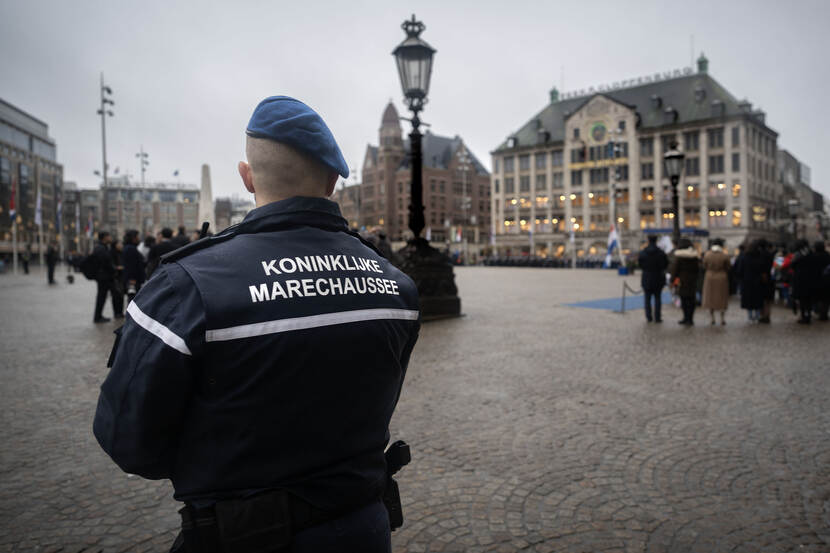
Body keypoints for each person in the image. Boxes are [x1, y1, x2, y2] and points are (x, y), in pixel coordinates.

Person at [93, 95, 420, 553]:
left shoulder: (185, 286)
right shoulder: (397, 287)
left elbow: (127, 440)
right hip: (363, 530)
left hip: (242, 536)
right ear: (332, 181)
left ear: (247, 177)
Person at [638, 235, 668, 323]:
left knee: (647, 299)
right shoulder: (661, 253)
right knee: (658, 298)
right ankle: (657, 317)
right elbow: (665, 264)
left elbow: (640, 264)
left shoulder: (643, 252)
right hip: (658, 277)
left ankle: (648, 317)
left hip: (647, 277)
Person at [739, 239, 770, 323]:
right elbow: (764, 269)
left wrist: (741, 278)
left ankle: (750, 316)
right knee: (757, 299)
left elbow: (740, 270)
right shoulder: (760, 257)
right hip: (758, 281)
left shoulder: (744, 256)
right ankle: (757, 315)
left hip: (747, 281)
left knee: (749, 300)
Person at [670, 238, 700, 325]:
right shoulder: (694, 256)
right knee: (691, 300)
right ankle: (690, 318)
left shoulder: (679, 257)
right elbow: (697, 269)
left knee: (684, 300)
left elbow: (675, 269)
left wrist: (673, 280)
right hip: (692, 281)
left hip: (682, 281)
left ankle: (686, 317)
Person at [701, 239, 730, 325]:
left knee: (710, 298)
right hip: (721, 277)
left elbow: (704, 265)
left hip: (709, 276)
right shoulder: (724, 255)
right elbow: (728, 266)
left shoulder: (707, 254)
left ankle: (712, 318)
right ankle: (722, 318)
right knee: (722, 298)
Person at [791, 239, 818, 324]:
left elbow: (792, 265)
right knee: (808, 299)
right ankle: (808, 315)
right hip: (810, 279)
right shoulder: (811, 253)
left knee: (802, 299)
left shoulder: (797, 254)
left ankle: (803, 316)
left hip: (800, 279)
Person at [92, 231, 117, 323]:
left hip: (103, 275)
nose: (110, 238)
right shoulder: (101, 248)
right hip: (103, 276)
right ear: (105, 237)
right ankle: (97, 317)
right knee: (101, 296)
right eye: (109, 236)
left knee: (102, 296)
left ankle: (98, 316)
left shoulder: (101, 247)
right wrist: (113, 269)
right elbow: (106, 262)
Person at [122, 229, 145, 304]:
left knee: (133, 297)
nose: (139, 238)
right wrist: (132, 279)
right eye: (137, 237)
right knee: (133, 298)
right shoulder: (130, 249)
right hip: (133, 280)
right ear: (133, 238)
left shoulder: (130, 248)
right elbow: (131, 265)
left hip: (133, 279)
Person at [814, 241, 830, 321]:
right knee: (826, 299)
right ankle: (824, 314)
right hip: (827, 280)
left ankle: (820, 312)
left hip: (817, 280)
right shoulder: (827, 256)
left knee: (818, 298)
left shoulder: (814, 256)